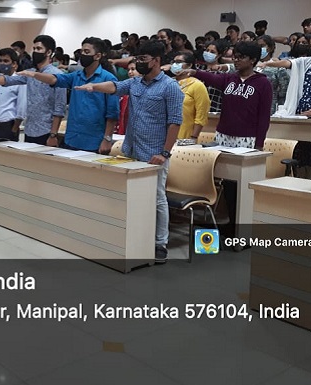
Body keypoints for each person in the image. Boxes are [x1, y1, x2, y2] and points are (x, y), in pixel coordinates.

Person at [75, 40, 184, 264]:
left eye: (143, 59)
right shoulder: (135, 82)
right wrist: (94, 86)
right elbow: (115, 87)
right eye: (137, 59)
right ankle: (137, 236)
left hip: (154, 154)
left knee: (157, 199)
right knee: (134, 197)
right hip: (132, 150)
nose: (139, 63)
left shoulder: (170, 87)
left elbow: (174, 123)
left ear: (156, 60)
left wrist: (165, 153)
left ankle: (160, 243)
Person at [181, 41, 272, 234]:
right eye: (235, 56)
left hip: (246, 139)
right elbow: (212, 78)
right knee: (226, 181)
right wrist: (195, 72)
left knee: (241, 184)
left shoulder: (263, 83)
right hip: (223, 136)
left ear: (253, 60)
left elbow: (264, 117)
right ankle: (228, 222)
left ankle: (240, 225)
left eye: (241, 57)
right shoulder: (230, 79)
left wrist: (259, 144)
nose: (236, 60)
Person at [18, 37, 119, 153]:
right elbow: (54, 79)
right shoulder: (76, 76)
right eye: (82, 51)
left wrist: (107, 139)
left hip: (94, 140)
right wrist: (35, 75)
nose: (82, 55)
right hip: (72, 139)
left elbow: (112, 113)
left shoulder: (108, 79)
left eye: (87, 52)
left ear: (98, 56)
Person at [0, 35, 67, 146]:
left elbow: (59, 108)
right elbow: (9, 80)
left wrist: (53, 135)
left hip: (46, 131)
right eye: (34, 48)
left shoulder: (58, 75)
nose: (35, 51)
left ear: (48, 52)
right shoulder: (30, 73)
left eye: (39, 49)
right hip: (29, 129)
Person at [266, 32, 311, 174]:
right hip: (301, 115)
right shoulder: (306, 61)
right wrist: (268, 63)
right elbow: (287, 63)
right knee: (299, 156)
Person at [170, 52, 210, 140]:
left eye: (179, 62)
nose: (175, 65)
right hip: (164, 135)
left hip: (185, 136)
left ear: (189, 65)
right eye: (173, 62)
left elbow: (201, 113)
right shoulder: (168, 83)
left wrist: (193, 137)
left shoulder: (197, 85)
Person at [255, 35, 290, 114]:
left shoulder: (278, 67)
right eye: (257, 46)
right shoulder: (251, 65)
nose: (259, 48)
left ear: (270, 48)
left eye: (262, 46)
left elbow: (283, 91)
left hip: (269, 108)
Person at [114, 59, 140, 135]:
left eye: (133, 69)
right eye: (128, 70)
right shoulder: (124, 90)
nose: (130, 72)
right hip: (124, 130)